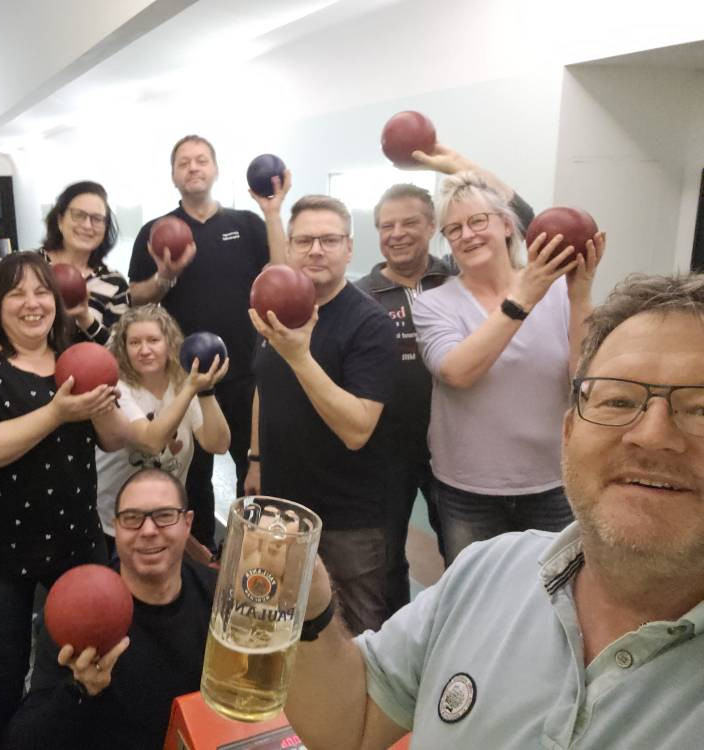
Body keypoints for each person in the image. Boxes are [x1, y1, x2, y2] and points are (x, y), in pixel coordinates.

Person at [283, 273, 704, 749]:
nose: (652, 435)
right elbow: (352, 725)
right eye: (619, 400)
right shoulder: (486, 571)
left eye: (700, 410)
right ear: (568, 431)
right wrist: (311, 611)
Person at [0, 251, 129, 749]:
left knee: (91, 649)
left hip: (73, 535)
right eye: (16, 292)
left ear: (56, 301)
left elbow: (113, 439)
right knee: (3, 664)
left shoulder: (76, 356)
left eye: (42, 291)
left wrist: (100, 401)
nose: (32, 303)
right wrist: (57, 412)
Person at [353, 146, 536, 615]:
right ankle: (396, 636)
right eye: (386, 226)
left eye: (409, 223)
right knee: (386, 558)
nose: (397, 234)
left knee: (460, 560)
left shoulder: (457, 275)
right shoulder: (361, 297)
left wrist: (453, 165)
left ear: (433, 227)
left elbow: (527, 220)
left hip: (452, 452)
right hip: (385, 452)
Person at [412, 172, 603, 566]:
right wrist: (524, 296)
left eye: (477, 221)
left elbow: (585, 381)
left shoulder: (559, 293)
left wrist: (579, 295)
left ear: (505, 224)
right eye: (454, 229)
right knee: (472, 590)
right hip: (468, 489)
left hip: (551, 483)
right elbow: (457, 371)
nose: (467, 234)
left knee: (552, 589)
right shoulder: (434, 303)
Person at [246, 194, 397, 634]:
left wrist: (299, 356)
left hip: (347, 521)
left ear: (349, 248)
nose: (316, 250)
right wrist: (255, 458)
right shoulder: (275, 308)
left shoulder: (370, 324)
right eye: (305, 240)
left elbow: (357, 428)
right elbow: (263, 384)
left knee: (355, 638)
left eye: (329, 240)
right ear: (289, 248)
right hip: (282, 508)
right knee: (284, 628)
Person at [127, 134, 287, 548]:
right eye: (183, 162)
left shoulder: (246, 224)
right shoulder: (155, 232)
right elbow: (136, 298)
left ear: (215, 169)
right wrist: (165, 276)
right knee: (191, 479)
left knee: (256, 473)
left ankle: (252, 556)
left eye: (201, 160)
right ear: (173, 176)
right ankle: (198, 558)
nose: (193, 167)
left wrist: (272, 213)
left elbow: (281, 274)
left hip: (245, 376)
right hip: (184, 382)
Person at [6, 468, 218, 750]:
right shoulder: (78, 611)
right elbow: (22, 741)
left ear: (187, 523)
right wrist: (80, 689)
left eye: (165, 515)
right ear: (115, 527)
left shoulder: (218, 597)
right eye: (132, 518)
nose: (148, 530)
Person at [96, 305, 231, 556]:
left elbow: (217, 444)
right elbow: (151, 441)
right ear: (124, 349)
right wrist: (191, 388)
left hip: (163, 517)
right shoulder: (119, 388)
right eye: (135, 342)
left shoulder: (182, 383)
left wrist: (206, 391)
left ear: (169, 344)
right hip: (115, 520)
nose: (144, 350)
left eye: (153, 340)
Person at [38, 180, 129, 344]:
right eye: (78, 215)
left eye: (97, 219)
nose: (87, 225)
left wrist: (85, 318)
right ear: (60, 220)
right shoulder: (29, 268)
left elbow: (119, 349)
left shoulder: (115, 282)